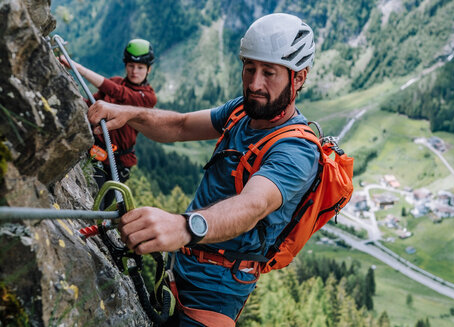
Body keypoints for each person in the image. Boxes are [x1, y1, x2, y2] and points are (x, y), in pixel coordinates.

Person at [88, 13, 317, 326]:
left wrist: (184, 227)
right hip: (183, 263)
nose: (254, 83)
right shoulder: (241, 110)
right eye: (249, 68)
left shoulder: (296, 149)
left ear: (299, 78)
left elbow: (252, 206)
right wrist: (127, 112)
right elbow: (180, 126)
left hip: (215, 292)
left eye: (269, 73)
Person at [59, 39, 157, 208]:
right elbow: (91, 104)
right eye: (131, 66)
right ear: (126, 65)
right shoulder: (117, 81)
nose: (135, 71)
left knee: (101, 206)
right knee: (93, 203)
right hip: (96, 152)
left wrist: (78, 69)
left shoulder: (147, 97)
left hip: (118, 164)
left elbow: (119, 93)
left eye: (140, 67)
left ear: (148, 69)